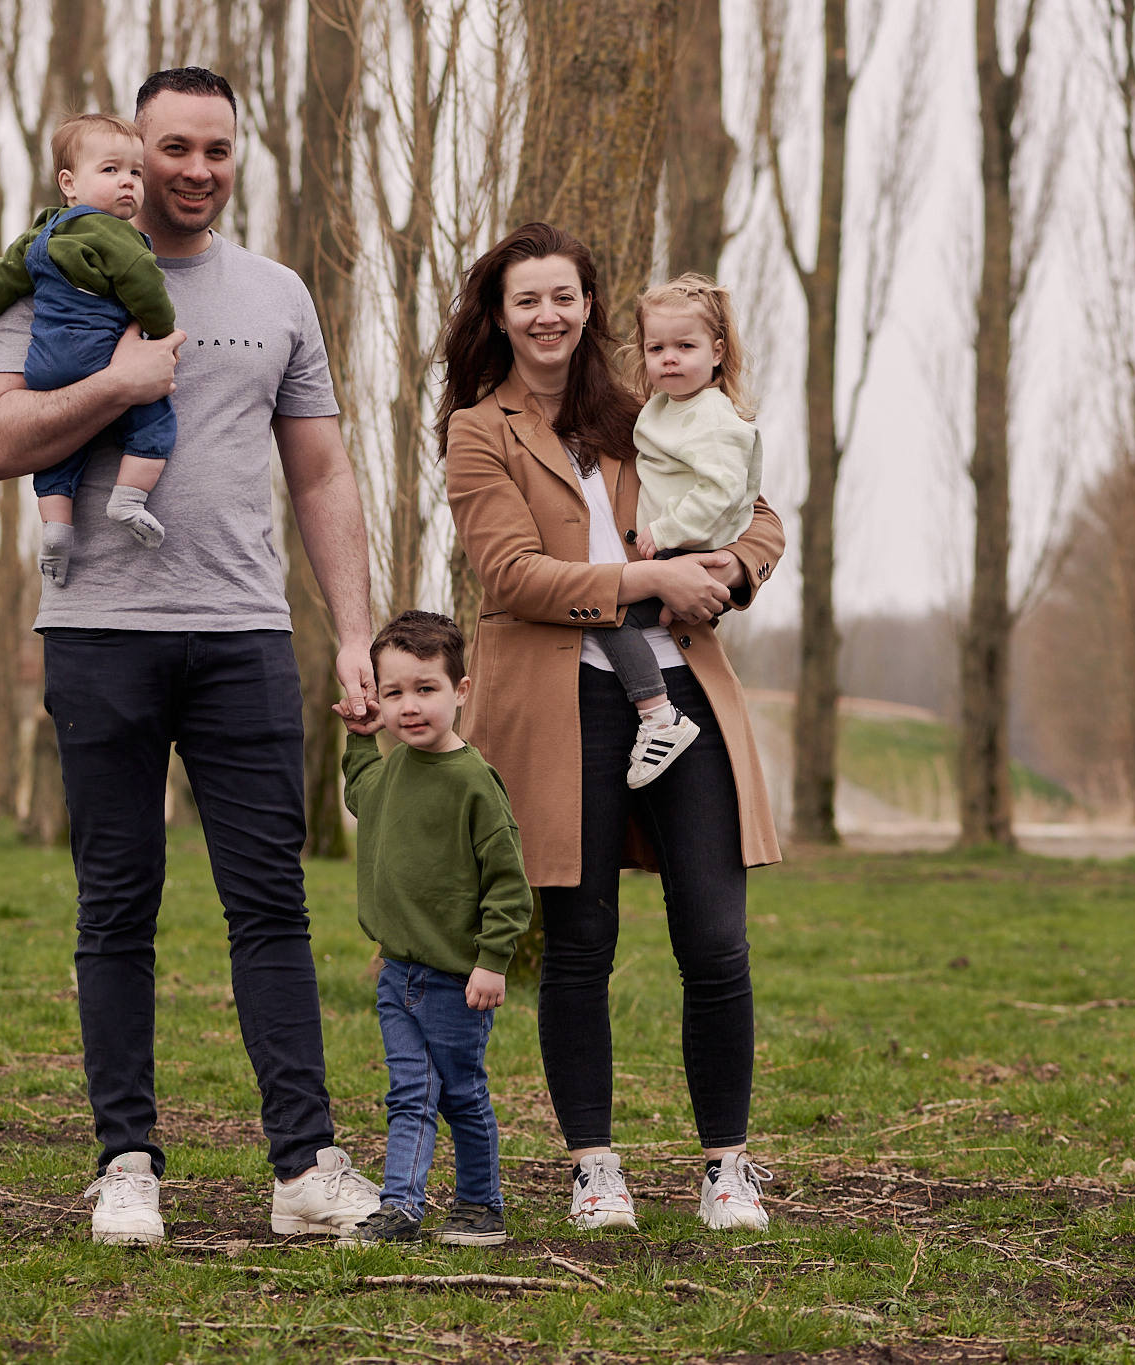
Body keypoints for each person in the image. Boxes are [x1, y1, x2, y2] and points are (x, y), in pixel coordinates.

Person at [0, 67, 383, 1246]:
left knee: (272, 905)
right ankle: (127, 1162)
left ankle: (304, 1167)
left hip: (245, 634)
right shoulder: (48, 269)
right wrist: (115, 383)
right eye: (171, 149)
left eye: (216, 148)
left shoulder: (278, 293)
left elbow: (321, 472)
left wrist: (352, 630)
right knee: (117, 905)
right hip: (99, 632)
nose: (194, 169)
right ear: (128, 157)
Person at [439, 223, 785, 1234]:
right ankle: (594, 1166)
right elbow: (511, 576)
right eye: (525, 300)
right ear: (499, 317)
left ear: (588, 306)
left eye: (564, 296)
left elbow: (756, 513)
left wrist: (726, 571)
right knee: (581, 942)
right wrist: (646, 578)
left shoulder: (645, 411)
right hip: (560, 707)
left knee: (715, 942)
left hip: (684, 693)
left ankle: (727, 1166)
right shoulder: (478, 431)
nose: (547, 315)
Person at [331, 611, 529, 1246]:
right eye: (393, 694)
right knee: (409, 1092)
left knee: (462, 1095)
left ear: (460, 691)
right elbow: (362, 791)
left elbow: (508, 883)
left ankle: (480, 1206)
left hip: (457, 980)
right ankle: (402, 1207)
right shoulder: (392, 769)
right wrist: (362, 737)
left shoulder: (474, 782)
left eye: (426, 689)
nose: (409, 707)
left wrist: (494, 961)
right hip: (397, 973)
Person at [0, 113, 179, 587]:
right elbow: (144, 286)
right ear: (69, 183)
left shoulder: (41, 233)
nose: (128, 182)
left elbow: (3, 277)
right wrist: (159, 330)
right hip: (97, 352)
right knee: (154, 421)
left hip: (44, 365)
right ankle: (128, 498)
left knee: (60, 450)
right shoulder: (116, 236)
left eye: (136, 173)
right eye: (111, 171)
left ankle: (57, 527)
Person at [582, 273, 764, 789]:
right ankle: (659, 709)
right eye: (657, 347)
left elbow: (723, 491)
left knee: (609, 610)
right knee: (624, 609)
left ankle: (660, 716)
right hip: (673, 556)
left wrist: (663, 530)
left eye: (686, 346)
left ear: (717, 351)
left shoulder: (712, 416)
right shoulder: (663, 408)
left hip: (689, 551)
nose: (670, 358)